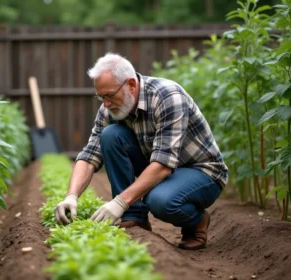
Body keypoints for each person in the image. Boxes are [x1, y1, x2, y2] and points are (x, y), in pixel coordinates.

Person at [54, 53, 228, 250]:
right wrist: (71, 196)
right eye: (101, 97)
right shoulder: (109, 109)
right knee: (110, 135)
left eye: (110, 95)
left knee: (160, 201)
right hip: (161, 167)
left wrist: (120, 202)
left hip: (201, 171)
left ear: (131, 85)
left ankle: (196, 221)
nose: (105, 103)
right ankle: (135, 218)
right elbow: (90, 155)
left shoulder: (168, 97)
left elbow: (163, 165)